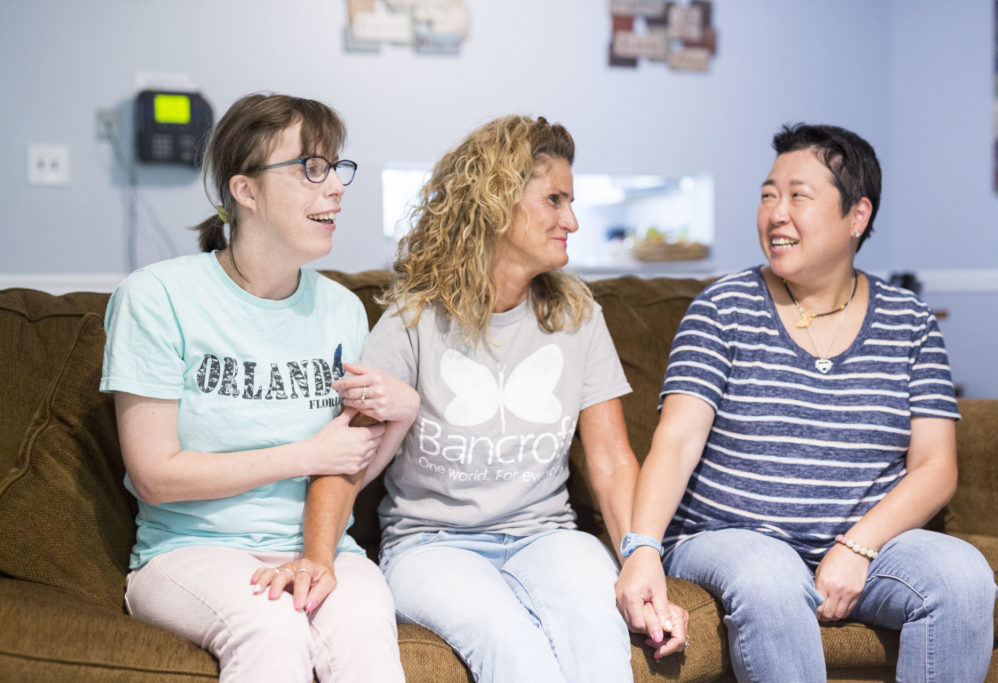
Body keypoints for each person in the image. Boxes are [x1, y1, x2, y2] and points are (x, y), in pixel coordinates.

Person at [615, 122, 998, 681]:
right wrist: (642, 547)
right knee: (770, 574)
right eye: (769, 194)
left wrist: (859, 547)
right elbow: (674, 443)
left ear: (857, 216)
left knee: (962, 575)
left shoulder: (910, 322)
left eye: (799, 195)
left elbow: (936, 467)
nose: (776, 213)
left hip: (865, 546)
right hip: (730, 539)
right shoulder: (721, 309)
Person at [354, 114, 687, 683]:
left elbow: (609, 461)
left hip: (546, 534)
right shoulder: (412, 318)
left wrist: (640, 557)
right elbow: (351, 455)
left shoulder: (577, 314)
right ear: (494, 200)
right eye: (554, 200)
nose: (572, 220)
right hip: (431, 544)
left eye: (571, 201)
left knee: (599, 636)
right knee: (512, 645)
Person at [100, 92, 414, 683]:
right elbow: (155, 476)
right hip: (189, 553)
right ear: (245, 191)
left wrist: (399, 415)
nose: (336, 187)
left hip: (325, 547)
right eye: (310, 169)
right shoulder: (156, 297)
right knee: (271, 628)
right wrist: (303, 455)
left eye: (336, 167)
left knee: (369, 631)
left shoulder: (344, 310)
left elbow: (348, 468)